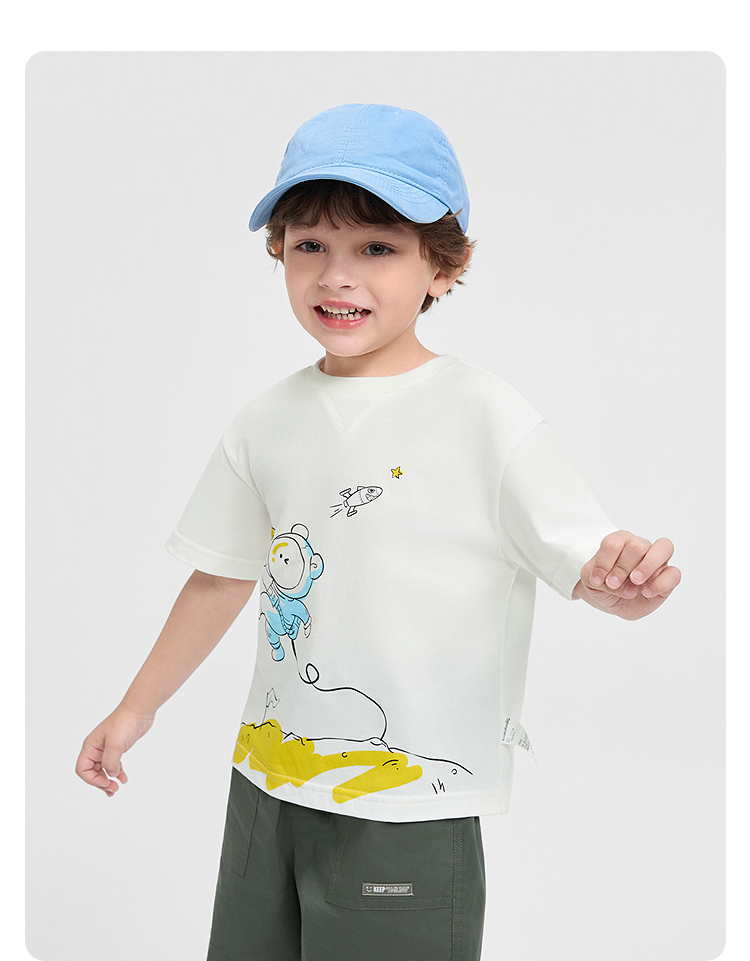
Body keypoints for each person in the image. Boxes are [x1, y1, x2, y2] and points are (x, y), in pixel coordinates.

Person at [76, 103, 681, 961]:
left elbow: (589, 563)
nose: (337, 277)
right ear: (279, 251)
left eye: (377, 249)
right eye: (310, 244)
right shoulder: (265, 421)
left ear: (443, 266)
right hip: (268, 783)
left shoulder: (485, 415)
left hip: (406, 806)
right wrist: (135, 708)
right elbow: (221, 574)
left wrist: (624, 583)